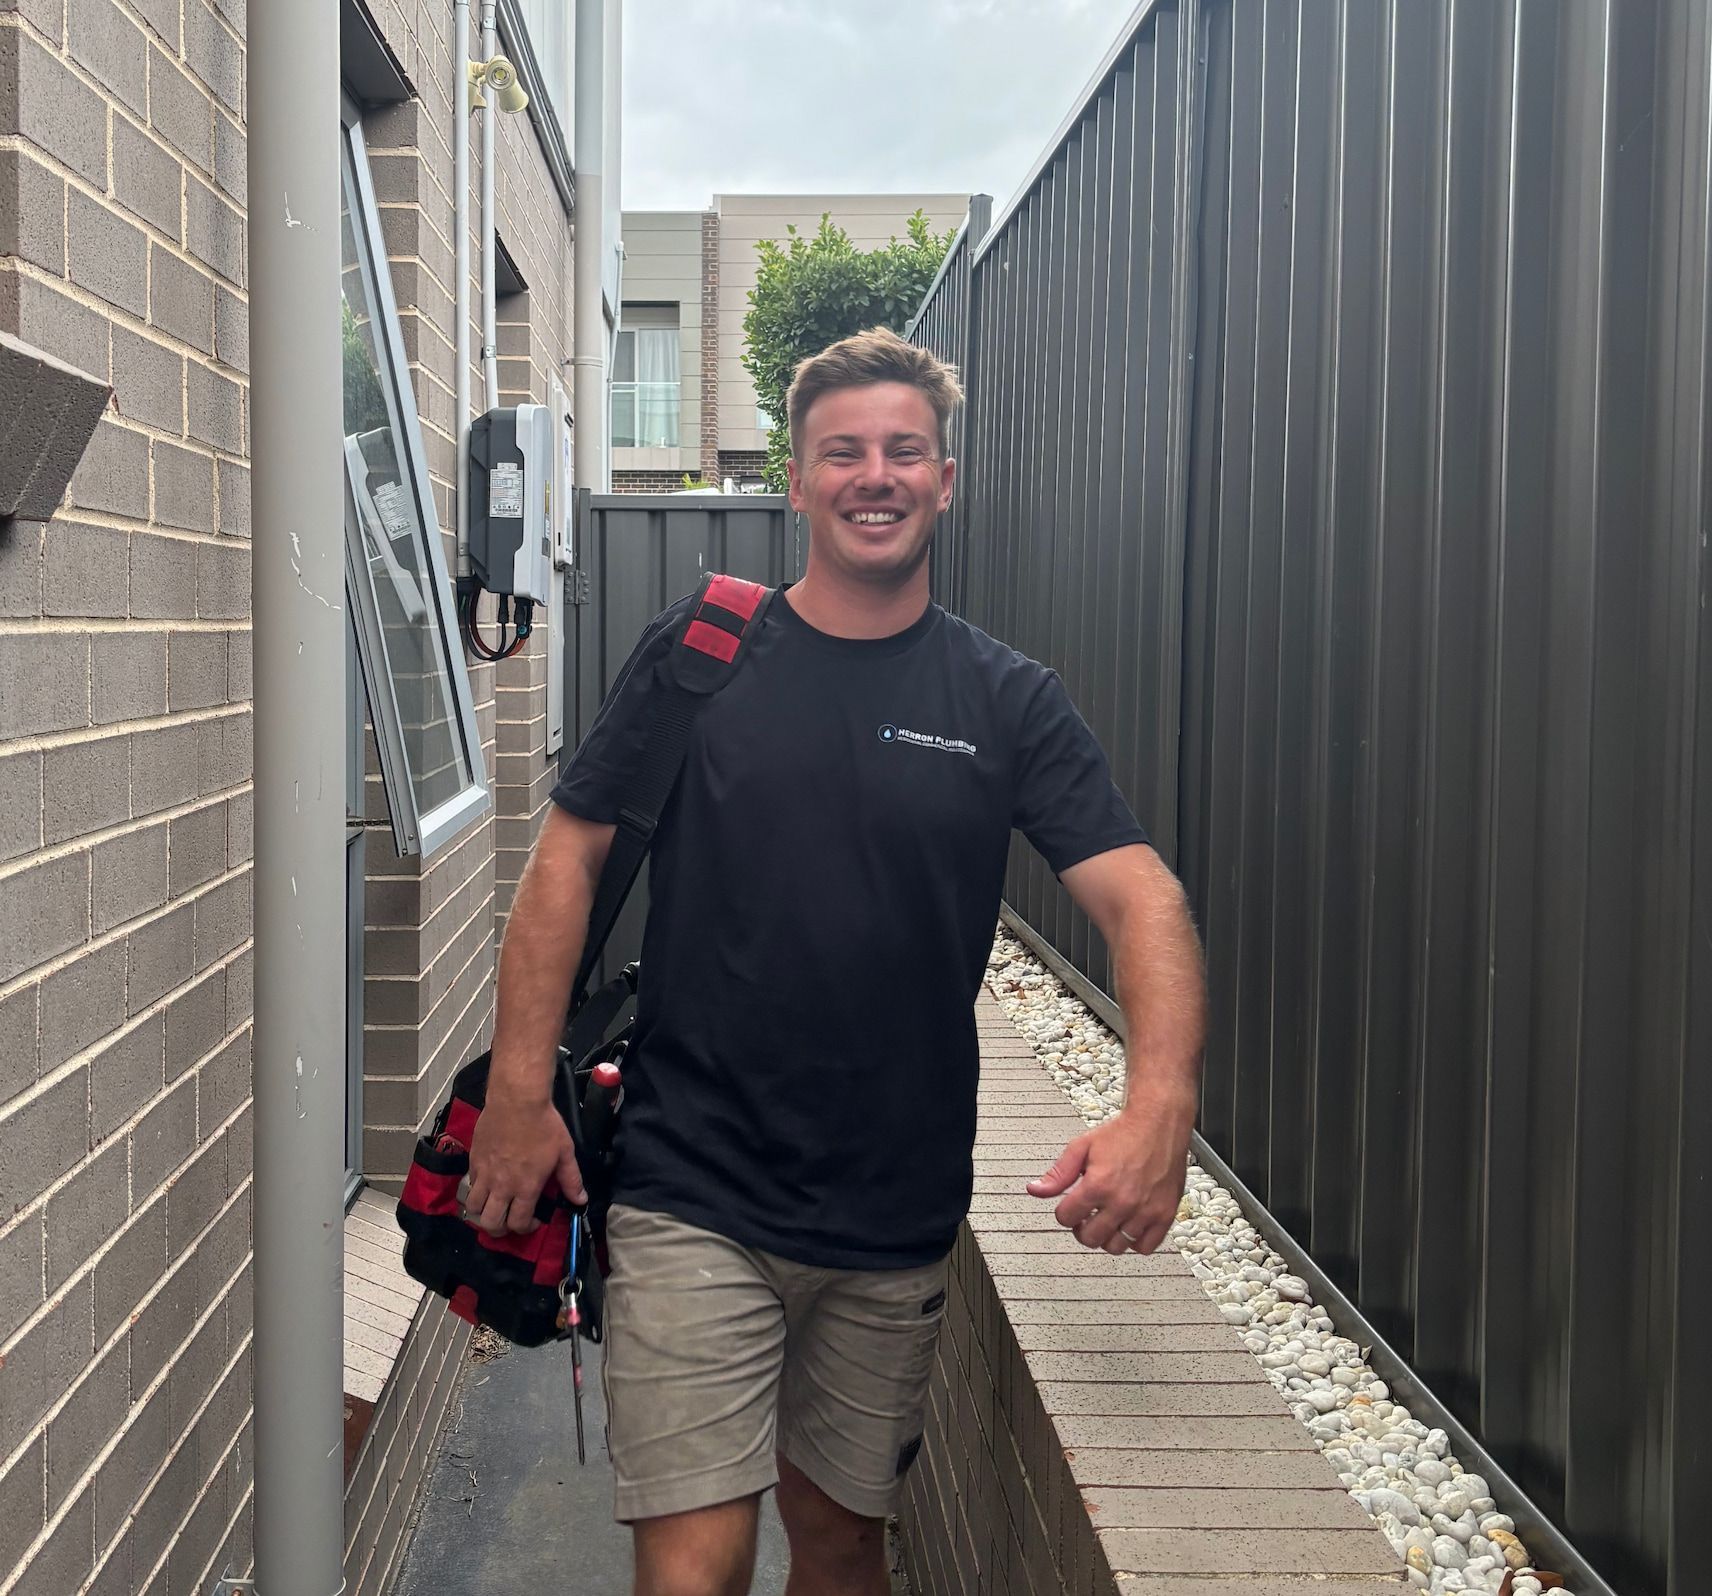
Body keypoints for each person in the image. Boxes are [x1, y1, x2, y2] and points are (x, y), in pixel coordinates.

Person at [465, 327, 1207, 1596]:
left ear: (943, 481)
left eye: (903, 451)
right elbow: (567, 861)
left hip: (891, 1203)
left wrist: (1159, 1104)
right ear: (799, 481)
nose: (875, 475)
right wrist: (518, 1093)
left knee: (840, 1542)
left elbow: (1143, 899)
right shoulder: (704, 655)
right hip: (693, 1179)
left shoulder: (1005, 699)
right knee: (693, 1567)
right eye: (843, 452)